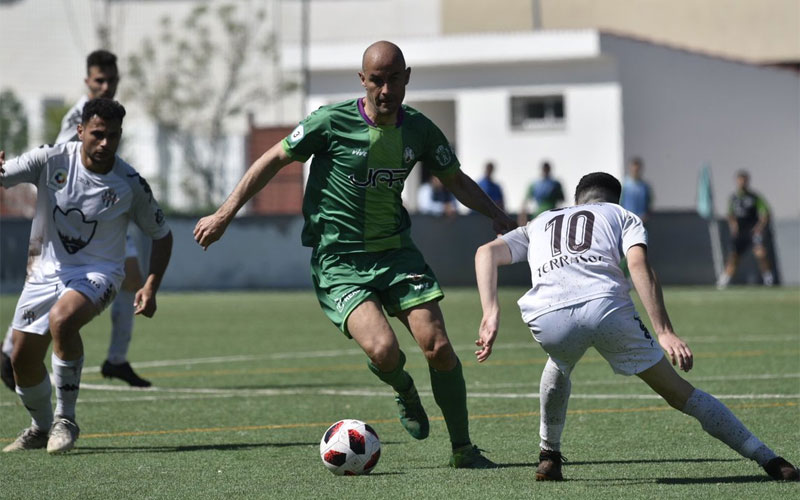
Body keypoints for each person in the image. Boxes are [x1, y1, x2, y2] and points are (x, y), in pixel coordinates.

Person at [194, 40, 515, 468]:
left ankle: (463, 449)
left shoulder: (419, 129)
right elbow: (273, 159)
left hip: (397, 254)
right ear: (362, 80)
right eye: (377, 81)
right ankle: (403, 388)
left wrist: (496, 214)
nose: (386, 90)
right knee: (383, 351)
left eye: (394, 79)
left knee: (438, 347)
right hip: (341, 262)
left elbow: (455, 180)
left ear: (407, 78)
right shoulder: (330, 121)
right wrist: (225, 213)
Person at [473, 172, 798, 481]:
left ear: (577, 199)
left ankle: (549, 455)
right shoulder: (621, 215)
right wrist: (664, 330)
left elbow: (485, 252)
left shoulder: (540, 222)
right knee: (681, 394)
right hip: (606, 307)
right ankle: (768, 458)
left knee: (559, 361)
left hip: (546, 316)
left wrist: (490, 312)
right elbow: (639, 265)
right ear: (615, 200)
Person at [0, 99, 173, 454]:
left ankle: (66, 419)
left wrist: (151, 284)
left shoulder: (130, 184)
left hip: (100, 273)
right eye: (98, 134)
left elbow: (162, 234)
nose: (106, 143)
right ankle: (40, 426)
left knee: (63, 321)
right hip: (44, 272)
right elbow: (5, 175)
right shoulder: (52, 159)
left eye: (113, 136)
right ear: (81, 131)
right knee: (20, 359)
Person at [0, 49, 152, 390]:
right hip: (70, 217)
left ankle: (116, 358)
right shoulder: (79, 116)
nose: (107, 85)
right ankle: (10, 348)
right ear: (87, 81)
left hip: (105, 210)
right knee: (44, 287)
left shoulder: (110, 116)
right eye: (100, 79)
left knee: (132, 278)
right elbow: (57, 159)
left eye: (112, 79)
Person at [716, 170, 774, 288]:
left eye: (744, 180)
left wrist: (759, 227)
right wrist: (733, 226)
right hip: (740, 232)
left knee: (761, 254)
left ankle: (769, 279)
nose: (742, 182)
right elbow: (730, 214)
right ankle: (723, 281)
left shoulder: (755, 197)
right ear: (737, 181)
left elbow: (765, 213)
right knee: (733, 257)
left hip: (752, 231)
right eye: (740, 180)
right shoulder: (733, 198)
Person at [518, 160, 564, 225]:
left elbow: (561, 201)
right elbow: (525, 203)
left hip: (552, 215)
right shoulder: (535, 184)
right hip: (538, 215)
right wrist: (523, 218)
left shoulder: (555, 184)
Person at [619, 156, 652, 222]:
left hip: (641, 220)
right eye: (634, 169)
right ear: (630, 169)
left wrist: (646, 215)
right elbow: (620, 202)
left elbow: (649, 202)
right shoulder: (625, 185)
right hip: (627, 220)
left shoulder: (644, 186)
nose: (635, 171)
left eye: (637, 170)